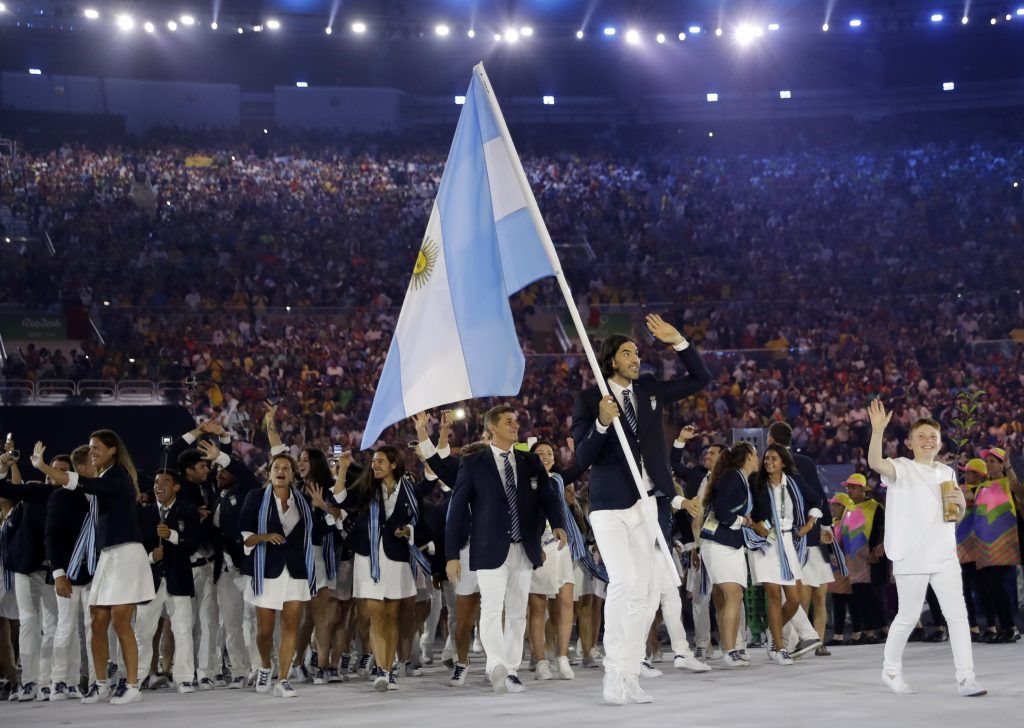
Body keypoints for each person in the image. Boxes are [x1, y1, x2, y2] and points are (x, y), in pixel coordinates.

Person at [571, 314, 711, 705]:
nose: (636, 358)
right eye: (627, 353)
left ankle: (630, 673)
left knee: (645, 595)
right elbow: (582, 457)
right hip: (610, 507)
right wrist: (602, 423)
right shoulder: (590, 399)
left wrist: (679, 341)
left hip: (649, 504)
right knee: (625, 581)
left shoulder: (649, 388)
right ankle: (613, 672)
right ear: (611, 360)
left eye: (637, 352)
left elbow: (700, 379)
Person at [866, 400, 985, 697]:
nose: (928, 440)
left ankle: (966, 679)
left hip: (944, 556)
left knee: (958, 616)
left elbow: (953, 516)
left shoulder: (947, 472)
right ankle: (890, 670)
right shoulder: (901, 468)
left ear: (940, 442)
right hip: (911, 555)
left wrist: (960, 506)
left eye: (933, 436)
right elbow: (876, 463)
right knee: (907, 616)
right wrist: (878, 431)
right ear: (909, 443)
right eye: (921, 436)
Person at [446, 405, 567, 695]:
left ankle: (511, 670)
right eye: (509, 421)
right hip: (489, 548)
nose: (516, 425)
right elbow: (457, 511)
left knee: (517, 611)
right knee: (491, 608)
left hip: (523, 547)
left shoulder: (530, 461)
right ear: (492, 428)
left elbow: (548, 496)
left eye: (516, 421)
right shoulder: (473, 463)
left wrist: (558, 523)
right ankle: (496, 664)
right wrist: (451, 555)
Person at [31, 430, 155, 705]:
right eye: (90, 448)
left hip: (126, 555)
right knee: (97, 623)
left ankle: (132, 686)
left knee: (121, 622)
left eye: (97, 447)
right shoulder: (106, 477)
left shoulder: (117, 477)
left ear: (113, 450)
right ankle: (100, 685)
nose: (92, 452)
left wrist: (44, 468)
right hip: (108, 557)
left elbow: (79, 482)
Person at [340, 445, 426, 692]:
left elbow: (420, 521)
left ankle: (389, 669)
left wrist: (409, 530)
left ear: (393, 464)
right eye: (373, 461)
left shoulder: (409, 490)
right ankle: (381, 670)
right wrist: (343, 470)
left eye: (380, 461)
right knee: (376, 615)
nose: (375, 465)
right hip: (369, 559)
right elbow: (339, 499)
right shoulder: (366, 487)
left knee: (391, 616)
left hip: (397, 558)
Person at [239, 452, 316, 698]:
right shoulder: (256, 497)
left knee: (291, 623)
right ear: (269, 473)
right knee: (265, 630)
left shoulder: (303, 500)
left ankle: (283, 679)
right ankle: (265, 665)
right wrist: (263, 537)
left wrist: (325, 508)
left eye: (286, 468)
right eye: (276, 467)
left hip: (295, 570)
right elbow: (243, 533)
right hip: (266, 570)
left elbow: (312, 533)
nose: (281, 471)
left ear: (292, 475)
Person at [748, 444, 820, 665]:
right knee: (774, 596)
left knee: (795, 600)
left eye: (774, 458)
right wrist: (754, 524)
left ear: (783, 463)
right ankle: (779, 649)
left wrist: (809, 524)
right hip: (767, 544)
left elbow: (816, 501)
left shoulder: (794, 482)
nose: (768, 462)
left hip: (789, 543)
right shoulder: (756, 482)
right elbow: (748, 511)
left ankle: (773, 632)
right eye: (766, 458)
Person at [134, 469, 200, 693]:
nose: (158, 486)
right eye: (156, 482)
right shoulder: (143, 514)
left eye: (165, 481)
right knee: (143, 632)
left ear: (176, 487)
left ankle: (184, 678)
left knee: (183, 631)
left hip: (178, 580)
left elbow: (193, 543)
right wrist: (151, 557)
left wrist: (172, 535)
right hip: (149, 582)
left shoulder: (188, 511)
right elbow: (136, 547)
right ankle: (138, 677)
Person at [0, 447, 57, 701]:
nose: (58, 473)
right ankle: (30, 682)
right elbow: (10, 490)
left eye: (64, 470)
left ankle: (48, 681)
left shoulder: (75, 496)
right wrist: (5, 465)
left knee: (53, 625)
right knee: (29, 623)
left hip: (55, 570)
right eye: (55, 469)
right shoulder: (37, 491)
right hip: (26, 567)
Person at [700, 441, 760, 669]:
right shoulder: (733, 477)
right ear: (748, 456)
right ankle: (728, 652)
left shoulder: (740, 478)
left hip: (729, 544)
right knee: (733, 595)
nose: (758, 459)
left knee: (734, 597)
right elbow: (723, 512)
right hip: (719, 544)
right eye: (756, 455)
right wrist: (743, 520)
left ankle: (732, 649)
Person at [526, 440, 583, 681]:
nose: (546, 456)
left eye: (549, 453)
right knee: (538, 607)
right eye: (540, 453)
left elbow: (580, 467)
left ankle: (562, 658)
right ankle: (540, 661)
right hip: (538, 547)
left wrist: (578, 449)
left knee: (566, 603)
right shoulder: (525, 481)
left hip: (561, 547)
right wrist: (533, 544)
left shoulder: (558, 480)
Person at [45, 445, 94, 701]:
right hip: (70, 573)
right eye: (93, 461)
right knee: (66, 628)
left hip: (95, 572)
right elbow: (51, 536)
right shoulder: (62, 496)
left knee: (92, 629)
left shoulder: (98, 493)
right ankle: (58, 681)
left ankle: (85, 681)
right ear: (83, 468)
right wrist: (59, 574)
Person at [972, 450, 1021, 643]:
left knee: (995, 582)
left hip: (1006, 542)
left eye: (992, 461)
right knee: (991, 585)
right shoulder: (982, 487)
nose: (988, 464)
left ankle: (1011, 627)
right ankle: (1005, 628)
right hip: (986, 546)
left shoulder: (1008, 483)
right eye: (987, 461)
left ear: (1002, 464)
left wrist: (1009, 467)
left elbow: (1017, 488)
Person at [837, 473, 886, 644]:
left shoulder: (875, 507)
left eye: (852, 487)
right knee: (860, 597)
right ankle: (869, 631)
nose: (849, 491)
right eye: (848, 488)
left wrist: (877, 549)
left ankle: (883, 629)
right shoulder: (849, 508)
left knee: (872, 596)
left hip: (870, 559)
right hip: (853, 561)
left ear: (862, 489)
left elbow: (882, 530)